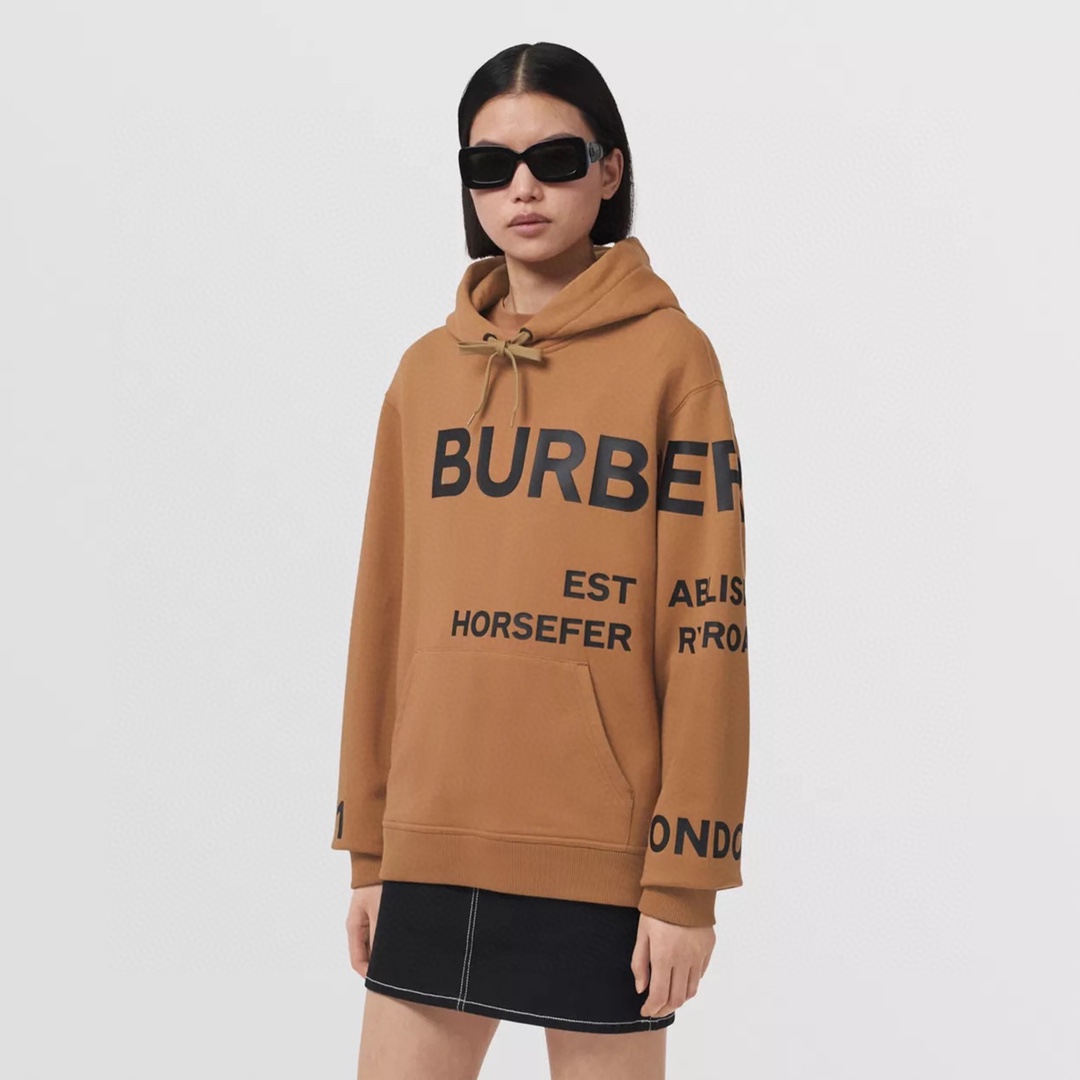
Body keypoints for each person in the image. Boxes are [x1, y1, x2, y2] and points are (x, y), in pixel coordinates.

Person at [331, 40, 751, 1080]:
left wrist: (686, 882)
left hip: (602, 857)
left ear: (609, 171)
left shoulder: (674, 361)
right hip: (432, 837)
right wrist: (371, 846)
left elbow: (706, 624)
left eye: (555, 159)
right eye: (491, 166)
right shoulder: (425, 375)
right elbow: (383, 612)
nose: (522, 189)